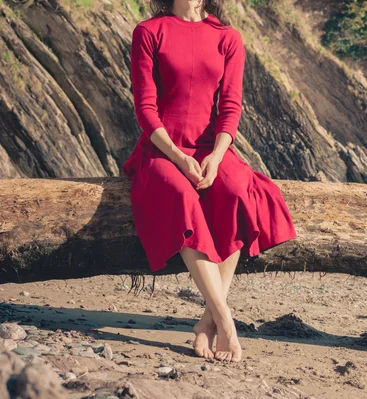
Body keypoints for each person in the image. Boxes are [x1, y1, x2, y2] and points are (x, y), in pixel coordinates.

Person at [122, 0, 298, 363]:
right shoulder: (149, 31)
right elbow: (145, 107)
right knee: (181, 198)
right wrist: (179, 156)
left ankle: (205, 321)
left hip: (210, 149)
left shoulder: (227, 37)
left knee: (236, 189)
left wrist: (216, 157)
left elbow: (230, 107)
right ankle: (225, 320)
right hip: (161, 150)